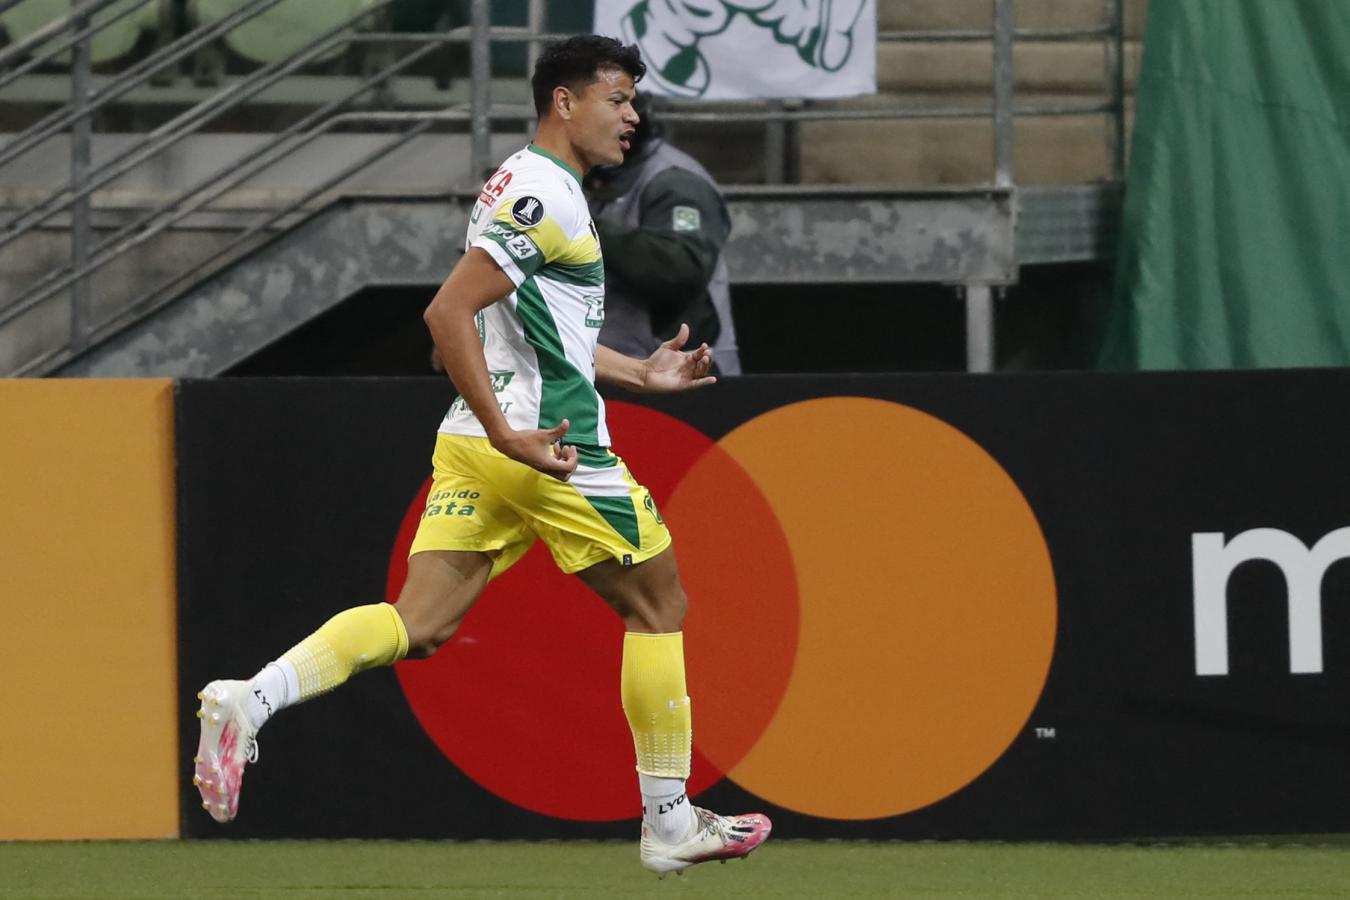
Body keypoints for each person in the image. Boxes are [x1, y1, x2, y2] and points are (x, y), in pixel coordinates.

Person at [191, 34, 771, 876]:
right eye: (617, 98)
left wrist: (636, 371)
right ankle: (669, 818)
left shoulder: (517, 183)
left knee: (418, 625)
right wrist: (513, 433)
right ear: (564, 103)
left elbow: (537, 331)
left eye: (633, 100)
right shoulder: (548, 194)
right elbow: (445, 316)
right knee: (659, 605)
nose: (632, 116)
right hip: (545, 443)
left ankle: (252, 697)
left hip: (478, 441)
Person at [585, 92, 741, 375]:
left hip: (681, 368)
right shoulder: (596, 171)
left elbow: (680, 266)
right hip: (614, 365)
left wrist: (582, 227)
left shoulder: (676, 182)